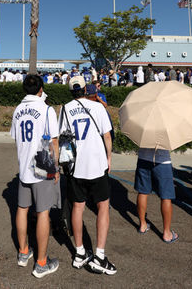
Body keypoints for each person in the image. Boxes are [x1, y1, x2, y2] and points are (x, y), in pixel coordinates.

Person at [58, 76, 116, 275]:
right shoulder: (97, 107)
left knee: (77, 207)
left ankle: (80, 251)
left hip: (75, 167)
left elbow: (63, 137)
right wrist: (109, 157)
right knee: (102, 207)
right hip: (97, 164)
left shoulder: (65, 109)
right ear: (85, 89)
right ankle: (99, 255)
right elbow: (107, 135)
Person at [11, 75, 60, 278]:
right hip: (42, 164)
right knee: (43, 213)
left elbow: (16, 138)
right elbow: (53, 142)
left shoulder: (17, 110)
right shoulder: (46, 109)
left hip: (24, 166)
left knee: (22, 209)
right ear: (41, 89)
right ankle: (41, 262)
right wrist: (55, 168)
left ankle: (23, 252)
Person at [134, 144, 178, 243]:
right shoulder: (166, 127)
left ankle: (142, 225)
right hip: (162, 161)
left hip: (143, 159)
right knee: (166, 197)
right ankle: (167, 233)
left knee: (143, 192)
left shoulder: (146, 128)